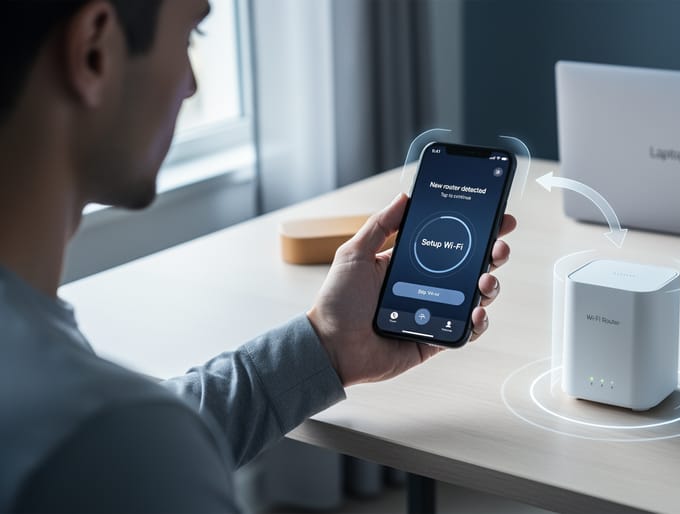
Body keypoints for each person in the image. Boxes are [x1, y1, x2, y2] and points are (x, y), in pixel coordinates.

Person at [0, 0, 516, 512]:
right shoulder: (107, 442)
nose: (192, 85)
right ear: (94, 51)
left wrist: (328, 347)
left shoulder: (93, 430)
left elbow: (141, 440)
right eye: (190, 38)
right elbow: (127, 445)